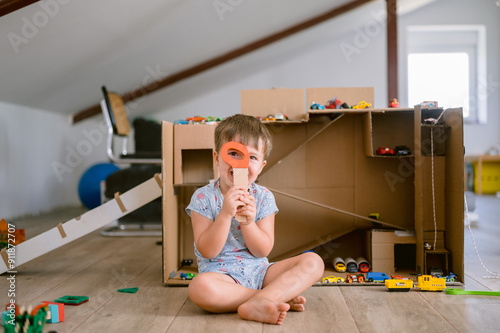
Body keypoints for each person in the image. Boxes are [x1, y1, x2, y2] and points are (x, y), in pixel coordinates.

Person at [186, 114, 324, 325]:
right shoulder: (203, 197)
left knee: (314, 262)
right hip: (220, 277)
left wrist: (248, 222)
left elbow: (263, 251)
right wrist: (225, 214)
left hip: (260, 272)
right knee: (198, 288)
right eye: (233, 153)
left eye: (251, 157)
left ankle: (262, 299)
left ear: (261, 166)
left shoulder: (264, 197)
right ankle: (268, 298)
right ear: (216, 158)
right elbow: (207, 250)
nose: (242, 163)